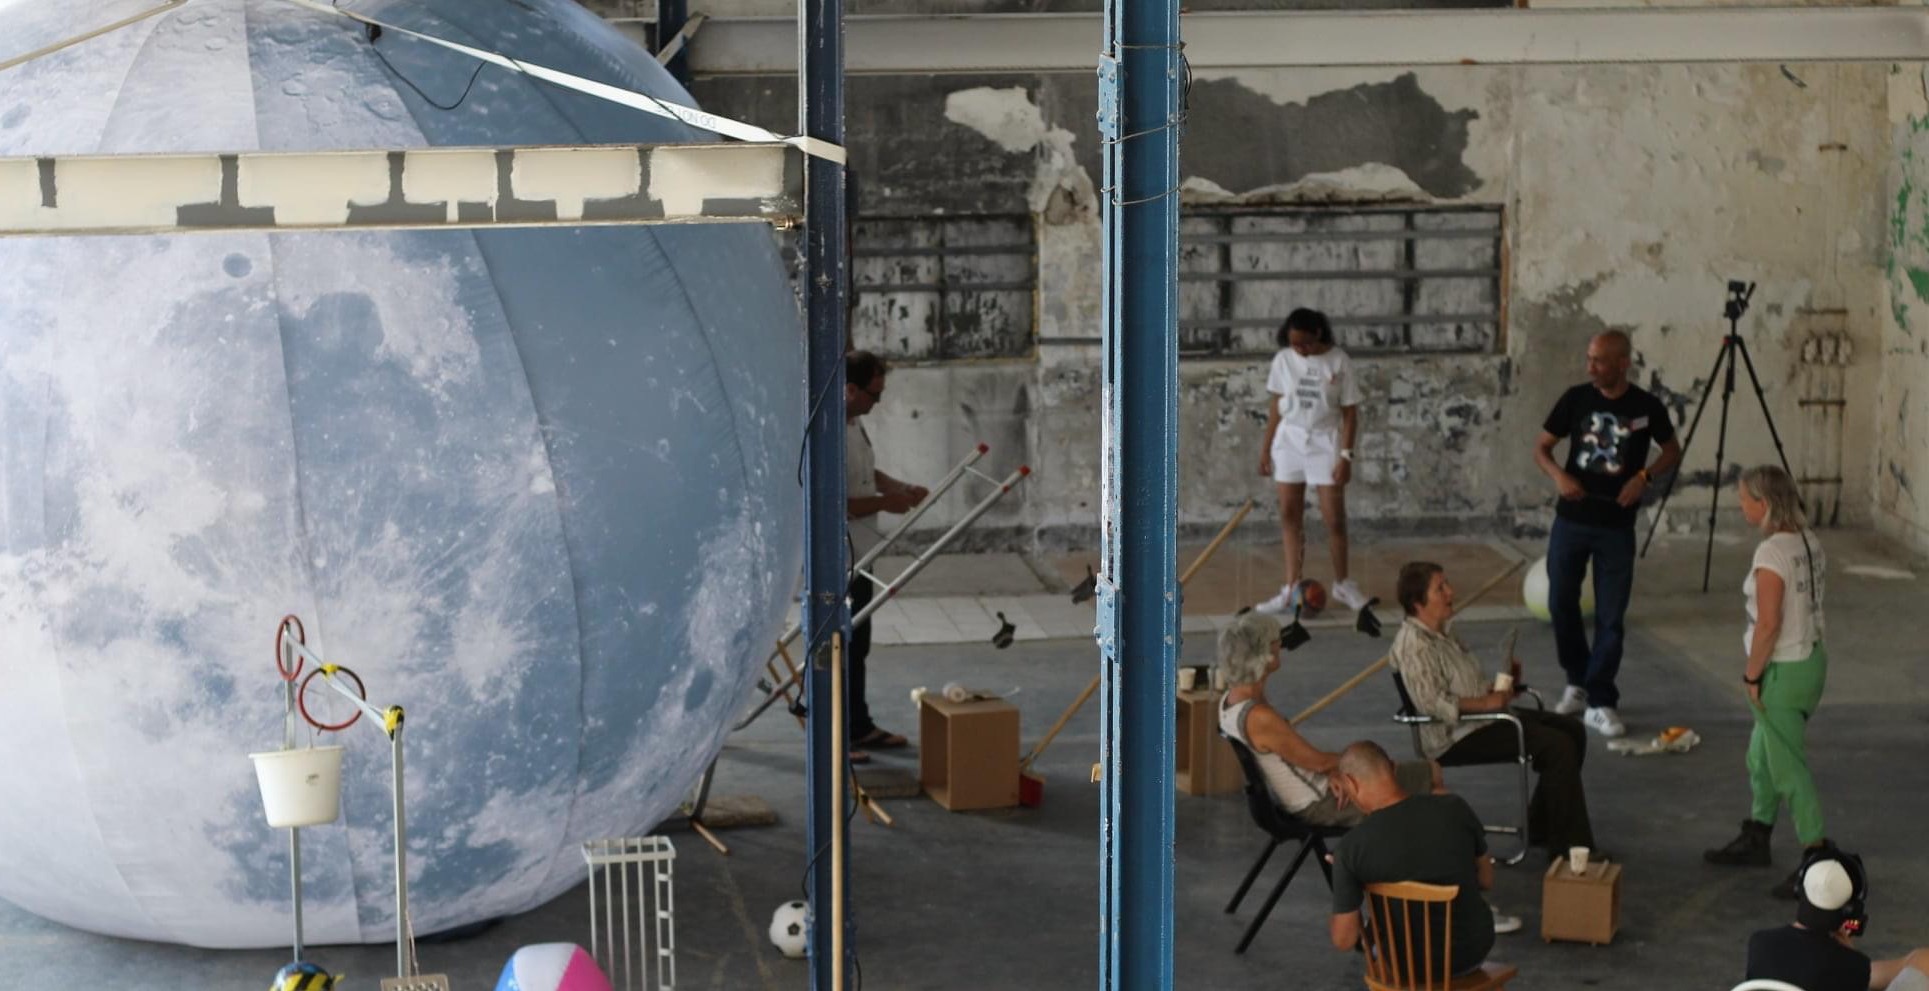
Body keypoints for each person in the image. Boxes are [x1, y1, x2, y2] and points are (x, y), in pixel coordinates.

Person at [1389, 561, 1598, 860]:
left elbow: (1467, 687)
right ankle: (1569, 849)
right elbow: (1433, 703)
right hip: (1453, 736)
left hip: (1480, 720)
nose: (1451, 592)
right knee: (1557, 746)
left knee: (1572, 730)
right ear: (1417, 603)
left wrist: (1501, 687)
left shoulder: (1445, 632)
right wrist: (1488, 704)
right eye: (1440, 588)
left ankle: (1543, 825)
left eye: (1447, 584)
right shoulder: (1414, 645)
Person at [1532, 329, 1682, 738]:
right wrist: (1560, 476)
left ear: (1622, 363)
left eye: (1599, 360)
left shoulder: (1646, 407)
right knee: (1560, 602)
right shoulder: (1576, 399)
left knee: (1611, 617)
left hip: (1616, 527)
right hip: (1571, 520)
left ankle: (1601, 701)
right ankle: (1577, 681)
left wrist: (1643, 477)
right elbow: (1542, 448)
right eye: (1589, 358)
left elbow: (1671, 450)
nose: (1591, 367)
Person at [1705, 465, 1833, 898]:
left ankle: (1817, 858)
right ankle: (1758, 834)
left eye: (1744, 498)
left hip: (1782, 671)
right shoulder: (1808, 540)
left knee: (1789, 770)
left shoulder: (1771, 553)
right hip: (1811, 661)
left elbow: (1768, 624)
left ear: (1763, 503)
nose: (1741, 505)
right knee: (1760, 757)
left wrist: (1752, 674)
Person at [1216, 610, 1441, 827]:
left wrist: (1335, 771)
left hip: (1312, 790)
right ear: (1262, 656)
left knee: (1428, 782)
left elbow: (1307, 761)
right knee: (1432, 775)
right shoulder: (1259, 717)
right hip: (1318, 802)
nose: (1279, 644)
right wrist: (1370, 766)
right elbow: (1318, 762)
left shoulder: (1231, 700)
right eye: (1273, 641)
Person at [1327, 742, 1498, 977]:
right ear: (1393, 768)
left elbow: (1344, 940)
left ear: (1350, 782)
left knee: (1375, 947)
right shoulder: (1454, 806)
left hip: (1408, 966)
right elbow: (1486, 879)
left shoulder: (1350, 849)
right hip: (1474, 953)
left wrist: (1346, 881)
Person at [1255, 308, 1371, 616]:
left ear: (1318, 334)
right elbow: (1276, 407)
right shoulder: (1283, 360)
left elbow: (1350, 414)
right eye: (1294, 344)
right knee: (1289, 514)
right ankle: (1291, 586)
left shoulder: (1339, 361)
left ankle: (1343, 583)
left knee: (1334, 518)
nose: (1300, 350)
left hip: (1325, 440)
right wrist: (1265, 450)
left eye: (1305, 343)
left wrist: (1346, 456)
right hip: (1289, 440)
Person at [844, 350, 928, 763]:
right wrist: (885, 502)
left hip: (863, 550)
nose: (877, 403)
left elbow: (867, 473)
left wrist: (898, 488)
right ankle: (837, 734)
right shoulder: (828, 431)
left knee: (858, 646)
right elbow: (835, 501)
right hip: (839, 557)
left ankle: (858, 726)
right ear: (850, 389)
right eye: (873, 395)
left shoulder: (855, 424)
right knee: (839, 649)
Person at [1744, 846, 1929, 991]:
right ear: (1851, 910)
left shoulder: (1759, 943)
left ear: (1799, 890)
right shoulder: (1853, 965)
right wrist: (1850, 956)